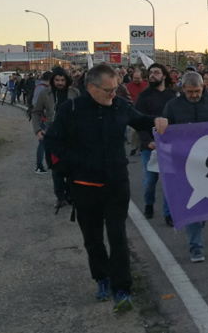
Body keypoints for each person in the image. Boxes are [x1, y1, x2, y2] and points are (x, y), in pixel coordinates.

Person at [43, 63, 168, 313]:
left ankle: (122, 289)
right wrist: (75, 165)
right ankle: (102, 278)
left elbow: (141, 120)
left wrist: (158, 120)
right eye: (108, 90)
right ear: (91, 88)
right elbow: (53, 144)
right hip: (84, 186)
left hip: (116, 184)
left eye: (115, 89)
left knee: (118, 237)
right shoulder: (72, 110)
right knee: (93, 239)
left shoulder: (120, 106)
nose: (113, 95)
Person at [162, 72, 208, 263]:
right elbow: (165, 131)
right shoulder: (173, 106)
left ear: (203, 88)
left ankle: (198, 223)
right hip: (183, 162)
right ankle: (196, 248)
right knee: (192, 204)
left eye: (197, 91)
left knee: (206, 204)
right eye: (190, 92)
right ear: (182, 89)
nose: (194, 95)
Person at [134, 63, 178, 225]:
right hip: (150, 147)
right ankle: (149, 204)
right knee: (149, 182)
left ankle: (169, 214)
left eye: (156, 72)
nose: (152, 75)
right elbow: (138, 121)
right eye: (150, 73)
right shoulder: (143, 97)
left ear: (164, 76)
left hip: (169, 146)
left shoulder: (173, 96)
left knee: (168, 181)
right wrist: (148, 142)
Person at [32, 67, 80, 205]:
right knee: (56, 168)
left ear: (67, 80)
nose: (60, 83)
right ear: (53, 80)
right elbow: (36, 112)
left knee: (73, 167)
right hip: (53, 134)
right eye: (57, 80)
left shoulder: (74, 92)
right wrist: (37, 130)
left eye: (62, 80)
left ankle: (71, 195)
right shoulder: (44, 93)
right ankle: (60, 197)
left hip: (71, 135)